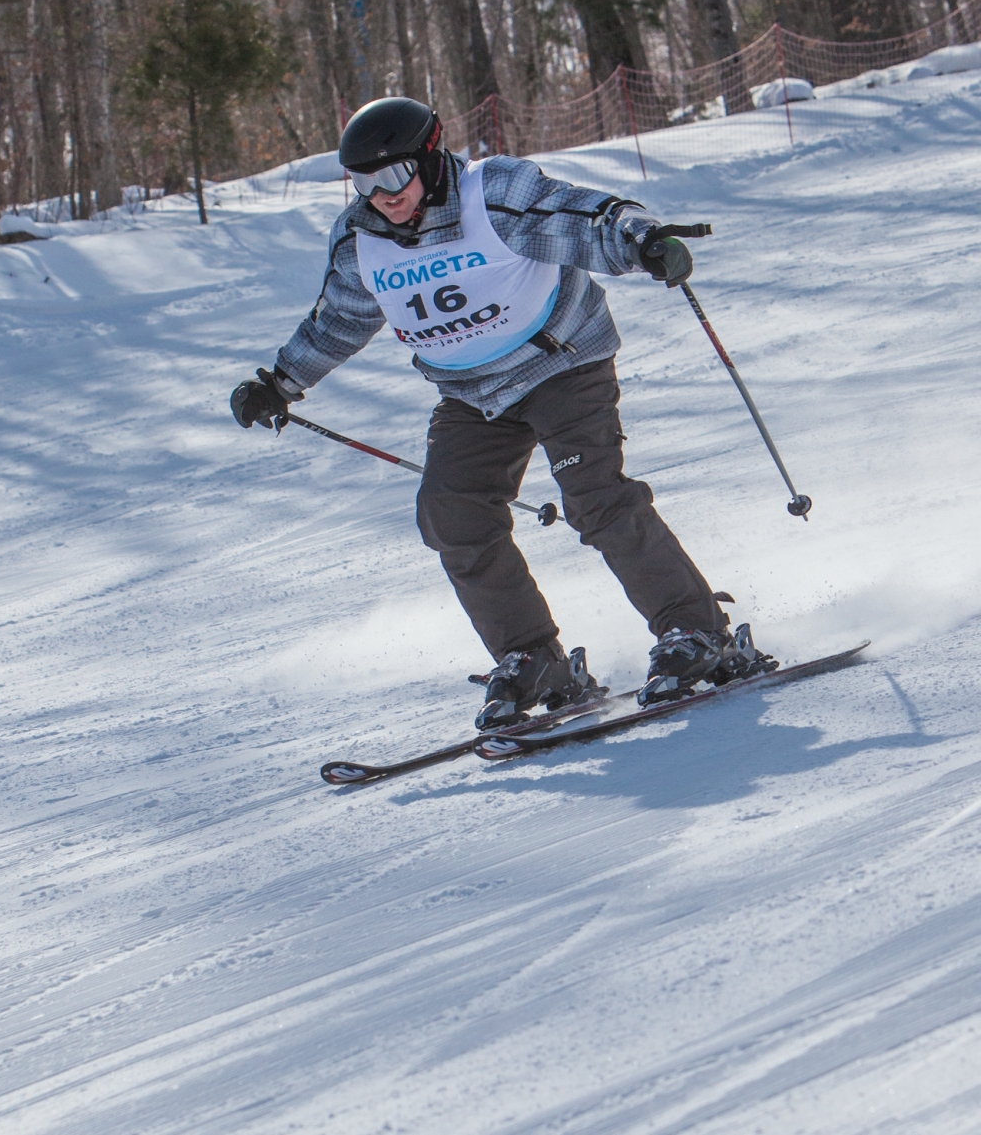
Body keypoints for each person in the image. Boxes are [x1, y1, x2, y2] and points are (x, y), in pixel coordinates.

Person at [232, 97, 774, 729]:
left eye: (394, 176)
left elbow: (584, 219)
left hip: (562, 362)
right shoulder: (360, 240)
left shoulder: (491, 196)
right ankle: (532, 656)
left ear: (431, 158)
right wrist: (282, 382)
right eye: (362, 182)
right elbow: (343, 318)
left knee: (594, 497)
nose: (382, 195)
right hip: (472, 394)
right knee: (450, 511)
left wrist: (645, 241)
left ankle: (696, 631)